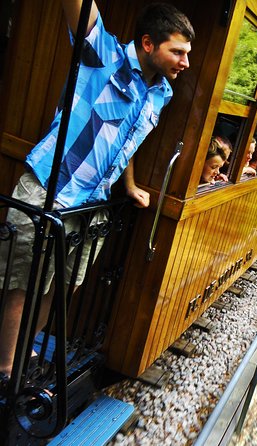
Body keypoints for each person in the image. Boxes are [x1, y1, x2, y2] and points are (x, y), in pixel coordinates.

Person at [0, 0, 194, 380]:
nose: (185, 62)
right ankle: (5, 374)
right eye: (178, 51)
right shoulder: (102, 56)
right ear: (148, 44)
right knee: (23, 287)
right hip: (51, 192)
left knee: (56, 290)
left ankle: (21, 362)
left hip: (91, 208)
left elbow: (126, 142)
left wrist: (131, 185)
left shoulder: (161, 93)